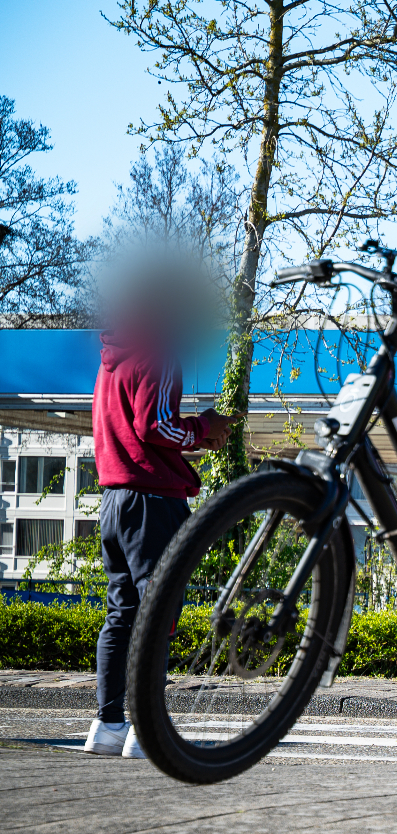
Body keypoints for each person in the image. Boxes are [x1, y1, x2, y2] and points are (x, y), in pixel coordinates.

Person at [84, 275, 233, 757]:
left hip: (114, 497)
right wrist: (204, 429)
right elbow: (156, 426)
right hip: (153, 499)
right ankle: (146, 731)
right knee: (158, 611)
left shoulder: (112, 359)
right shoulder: (160, 351)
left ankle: (107, 726)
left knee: (122, 613)